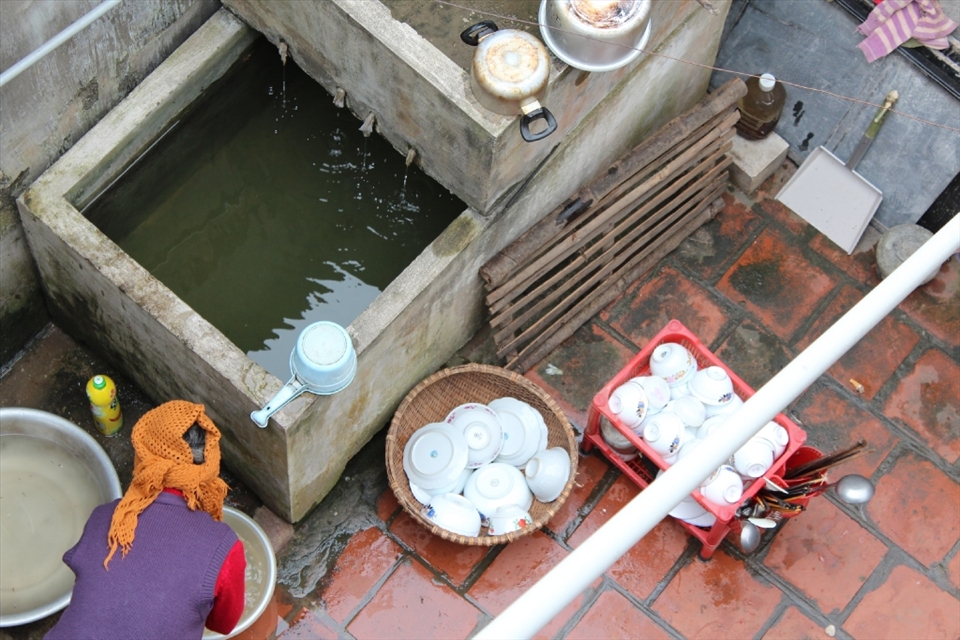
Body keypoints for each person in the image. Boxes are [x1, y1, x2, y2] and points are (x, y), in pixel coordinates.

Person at [46, 401, 245, 640]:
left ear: (143, 456)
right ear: (211, 463)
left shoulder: (105, 517)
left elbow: (83, 569)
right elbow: (224, 625)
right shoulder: (223, 546)